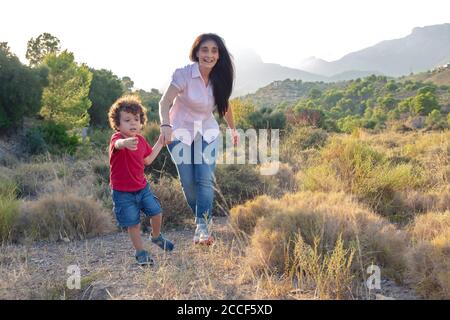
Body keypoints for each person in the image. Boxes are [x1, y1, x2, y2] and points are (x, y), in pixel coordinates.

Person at [159, 33, 239, 245]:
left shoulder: (220, 78)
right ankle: (200, 220)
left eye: (214, 50)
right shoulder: (183, 75)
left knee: (204, 177)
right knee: (188, 182)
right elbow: (165, 102)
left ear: (219, 55)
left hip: (207, 130)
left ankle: (203, 227)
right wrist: (165, 125)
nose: (209, 55)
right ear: (196, 52)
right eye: (205, 50)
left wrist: (233, 130)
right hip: (179, 131)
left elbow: (225, 106)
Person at [108, 95, 174, 266]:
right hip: (123, 193)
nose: (133, 123)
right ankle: (140, 253)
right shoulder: (117, 138)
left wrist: (160, 143)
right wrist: (124, 143)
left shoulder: (142, 140)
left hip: (142, 188)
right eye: (127, 120)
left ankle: (156, 237)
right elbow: (117, 145)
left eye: (136, 119)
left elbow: (148, 160)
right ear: (118, 123)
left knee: (156, 212)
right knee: (133, 224)